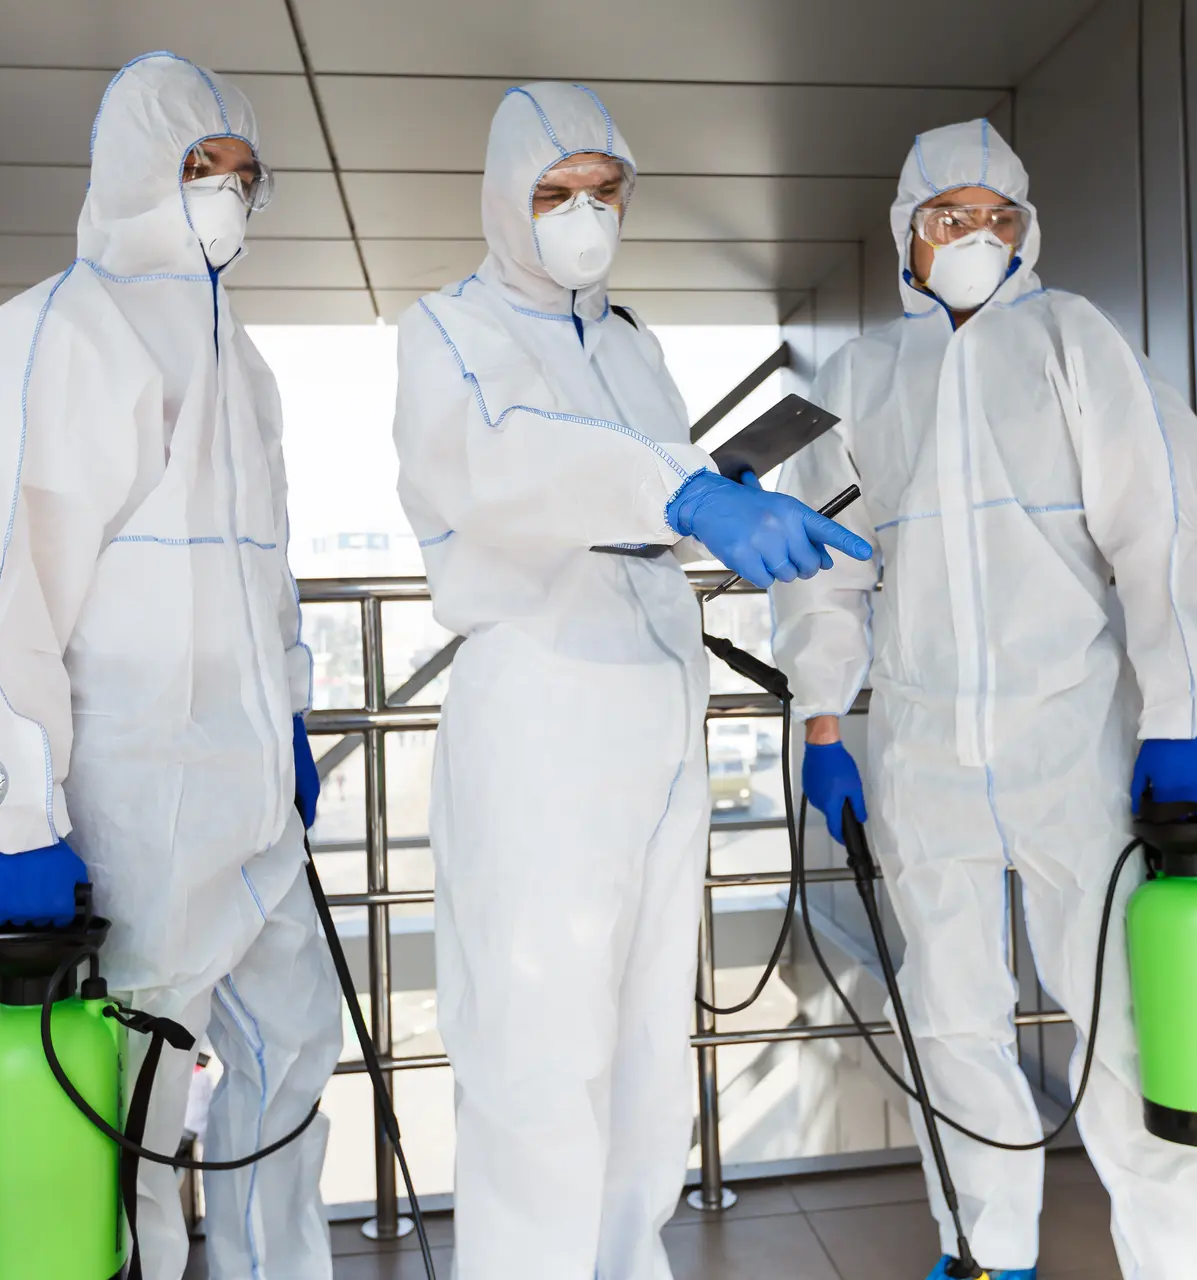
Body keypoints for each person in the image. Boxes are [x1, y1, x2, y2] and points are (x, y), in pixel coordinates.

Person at [392, 82, 870, 1280]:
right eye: (556, 194)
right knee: (538, 1057)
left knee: (650, 1056)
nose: (583, 215)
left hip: (658, 719)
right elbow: (495, 465)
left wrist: (727, 496)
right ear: (507, 201)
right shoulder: (447, 329)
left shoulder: (635, 340)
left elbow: (653, 487)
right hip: (544, 711)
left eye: (605, 193)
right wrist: (682, 489)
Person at [771, 119, 1197, 1280]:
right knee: (949, 1016)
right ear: (907, 236)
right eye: (950, 217)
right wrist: (823, 721)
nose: (977, 236)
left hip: (1071, 733)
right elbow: (826, 571)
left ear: (1025, 229)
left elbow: (1155, 534)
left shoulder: (1076, 342)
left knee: (1130, 1023)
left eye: (998, 216)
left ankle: (1184, 1262)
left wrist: (1180, 716)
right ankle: (985, 1249)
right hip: (925, 744)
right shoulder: (861, 378)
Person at [0, 52, 339, 1280]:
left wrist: (292, 722)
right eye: (203, 168)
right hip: (139, 821)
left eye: (244, 177)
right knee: (132, 1125)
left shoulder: (240, 359)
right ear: (136, 172)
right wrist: (21, 817)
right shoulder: (67, 331)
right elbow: (4, 596)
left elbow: (266, 574)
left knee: (294, 1064)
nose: (226, 195)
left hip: (254, 812)